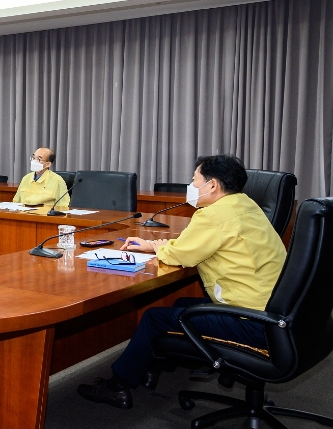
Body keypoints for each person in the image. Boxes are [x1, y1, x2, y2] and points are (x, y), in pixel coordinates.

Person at [77, 155, 287, 409]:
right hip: (276, 311)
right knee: (181, 304)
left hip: (252, 321)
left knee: (154, 318)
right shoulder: (245, 205)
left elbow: (181, 255)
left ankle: (117, 386)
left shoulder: (213, 216)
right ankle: (153, 367)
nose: (191, 185)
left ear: (212, 185)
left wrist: (158, 248)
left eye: (194, 180)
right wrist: (156, 246)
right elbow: (192, 246)